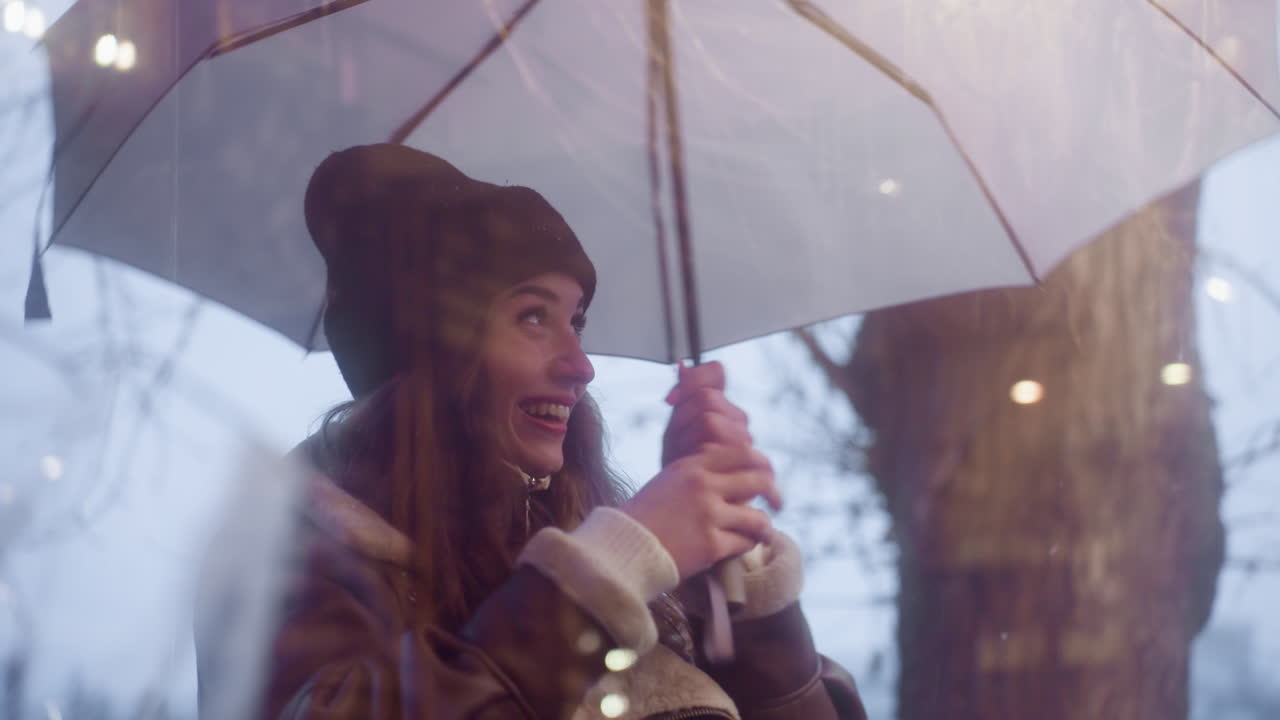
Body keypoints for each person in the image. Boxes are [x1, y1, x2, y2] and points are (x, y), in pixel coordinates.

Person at [197, 144, 867, 720]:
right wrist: (604, 573)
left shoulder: (597, 538)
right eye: (532, 318)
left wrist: (732, 590)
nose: (580, 366)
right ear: (434, 350)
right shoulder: (295, 555)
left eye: (575, 321)